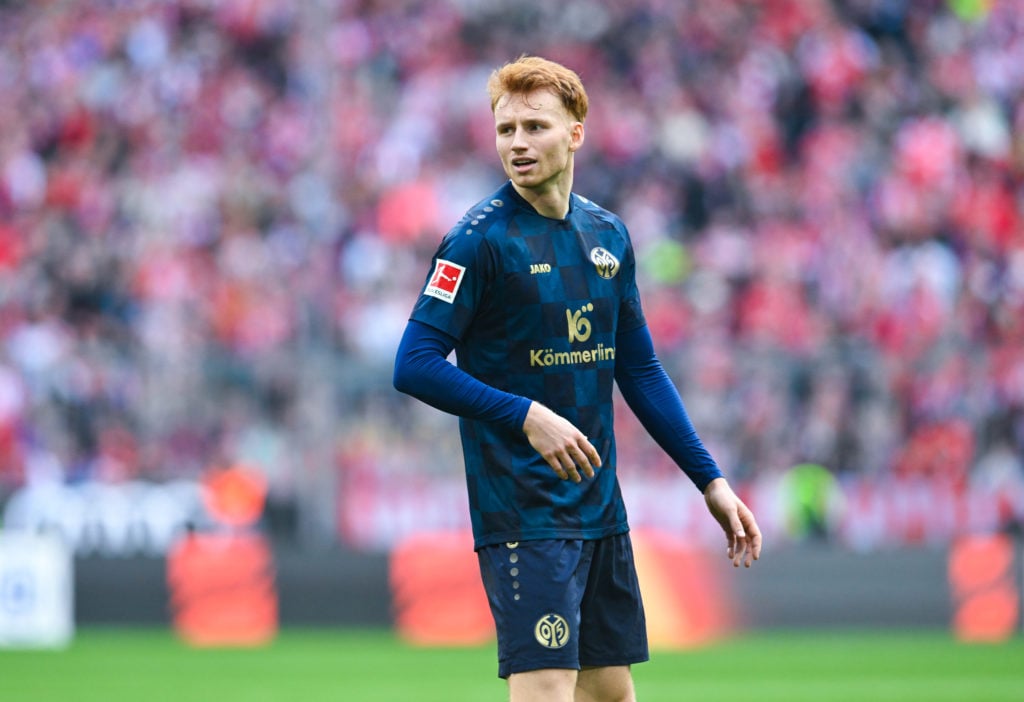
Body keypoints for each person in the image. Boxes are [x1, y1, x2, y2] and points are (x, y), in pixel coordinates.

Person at [393, 55, 761, 702]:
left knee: (610, 692)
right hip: (523, 511)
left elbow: (639, 369)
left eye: (535, 126)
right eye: (506, 130)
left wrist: (711, 480)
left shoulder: (607, 235)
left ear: (576, 132)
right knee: (547, 688)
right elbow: (414, 364)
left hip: (598, 508)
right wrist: (525, 415)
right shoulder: (477, 242)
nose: (518, 144)